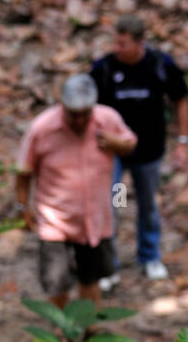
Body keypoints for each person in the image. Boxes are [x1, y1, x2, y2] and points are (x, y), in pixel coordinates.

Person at [15, 74, 138, 309]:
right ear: (62, 105)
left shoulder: (107, 119)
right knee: (57, 282)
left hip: (94, 219)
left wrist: (118, 144)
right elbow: (23, 171)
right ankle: (62, 332)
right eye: (73, 114)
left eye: (85, 114)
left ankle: (87, 330)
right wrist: (22, 207)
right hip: (55, 220)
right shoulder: (42, 128)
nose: (80, 120)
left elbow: (130, 143)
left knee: (90, 278)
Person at [89, 15, 188, 286]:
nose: (117, 48)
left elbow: (181, 99)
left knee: (148, 205)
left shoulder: (160, 65)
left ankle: (150, 256)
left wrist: (182, 141)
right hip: (112, 153)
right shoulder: (105, 68)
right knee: (110, 205)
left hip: (149, 151)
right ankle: (108, 265)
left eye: (123, 44)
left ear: (139, 43)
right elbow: (88, 108)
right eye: (115, 42)